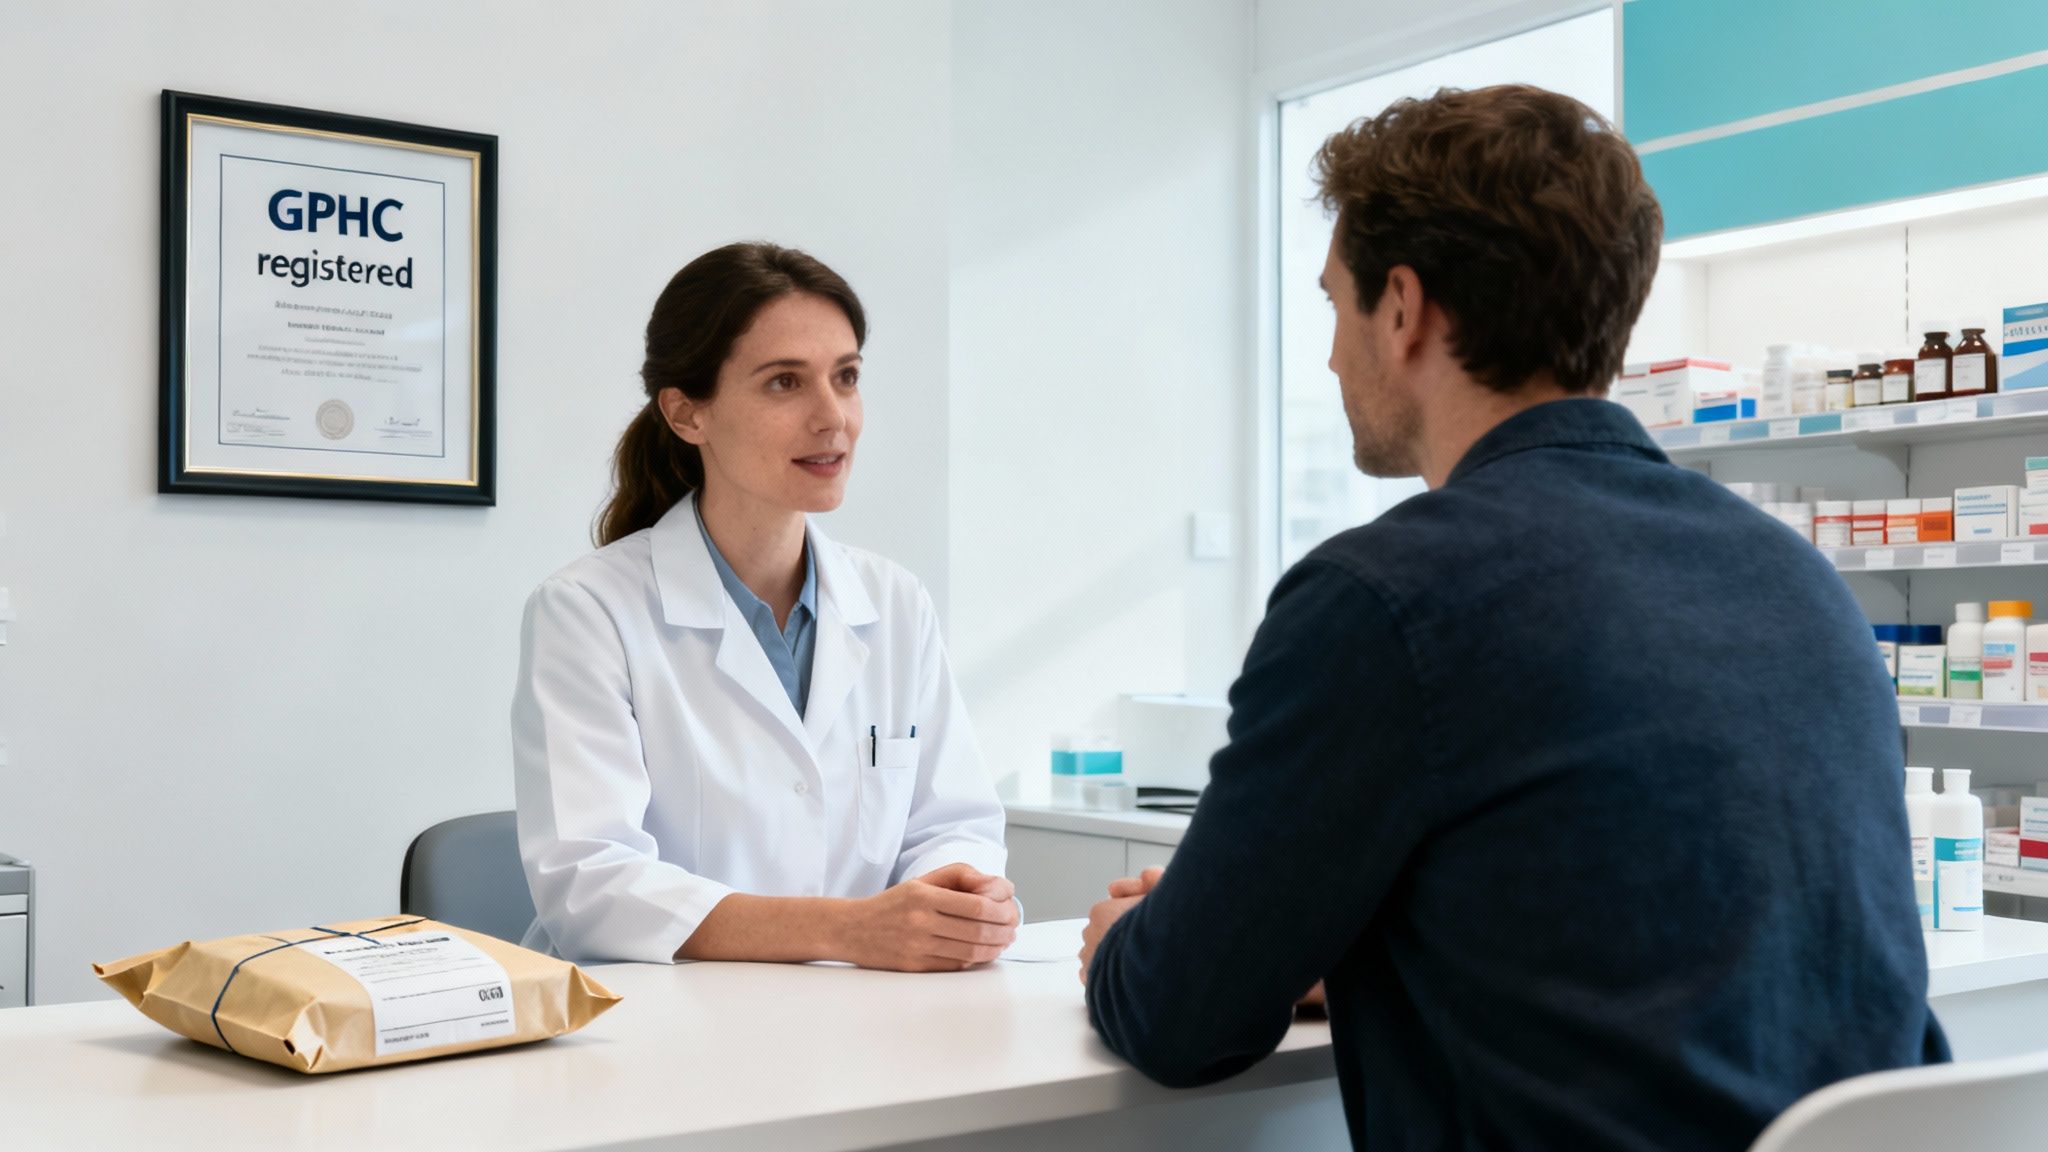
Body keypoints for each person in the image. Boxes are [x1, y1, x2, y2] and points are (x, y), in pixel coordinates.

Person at [1078, 85, 1947, 1150]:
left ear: (1401, 308)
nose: (1328, 356)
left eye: (1332, 306)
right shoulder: (1796, 578)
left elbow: (1180, 1013)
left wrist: (1129, 941)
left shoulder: (1383, 598)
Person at [514, 242, 1017, 970]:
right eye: (785, 382)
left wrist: (958, 895)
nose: (832, 417)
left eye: (846, 378)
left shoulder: (894, 603)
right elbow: (591, 885)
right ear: (688, 414)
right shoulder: (587, 612)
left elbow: (954, 822)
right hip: (664, 1032)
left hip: (866, 1014)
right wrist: (850, 931)